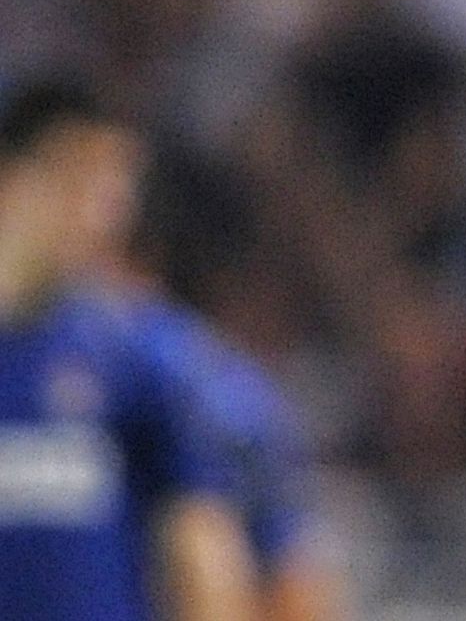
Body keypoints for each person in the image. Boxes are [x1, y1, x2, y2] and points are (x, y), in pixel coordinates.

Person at [0, 77, 341, 621]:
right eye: (79, 178)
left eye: (115, 184)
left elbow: (206, 544)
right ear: (14, 178)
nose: (103, 210)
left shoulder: (143, 361)